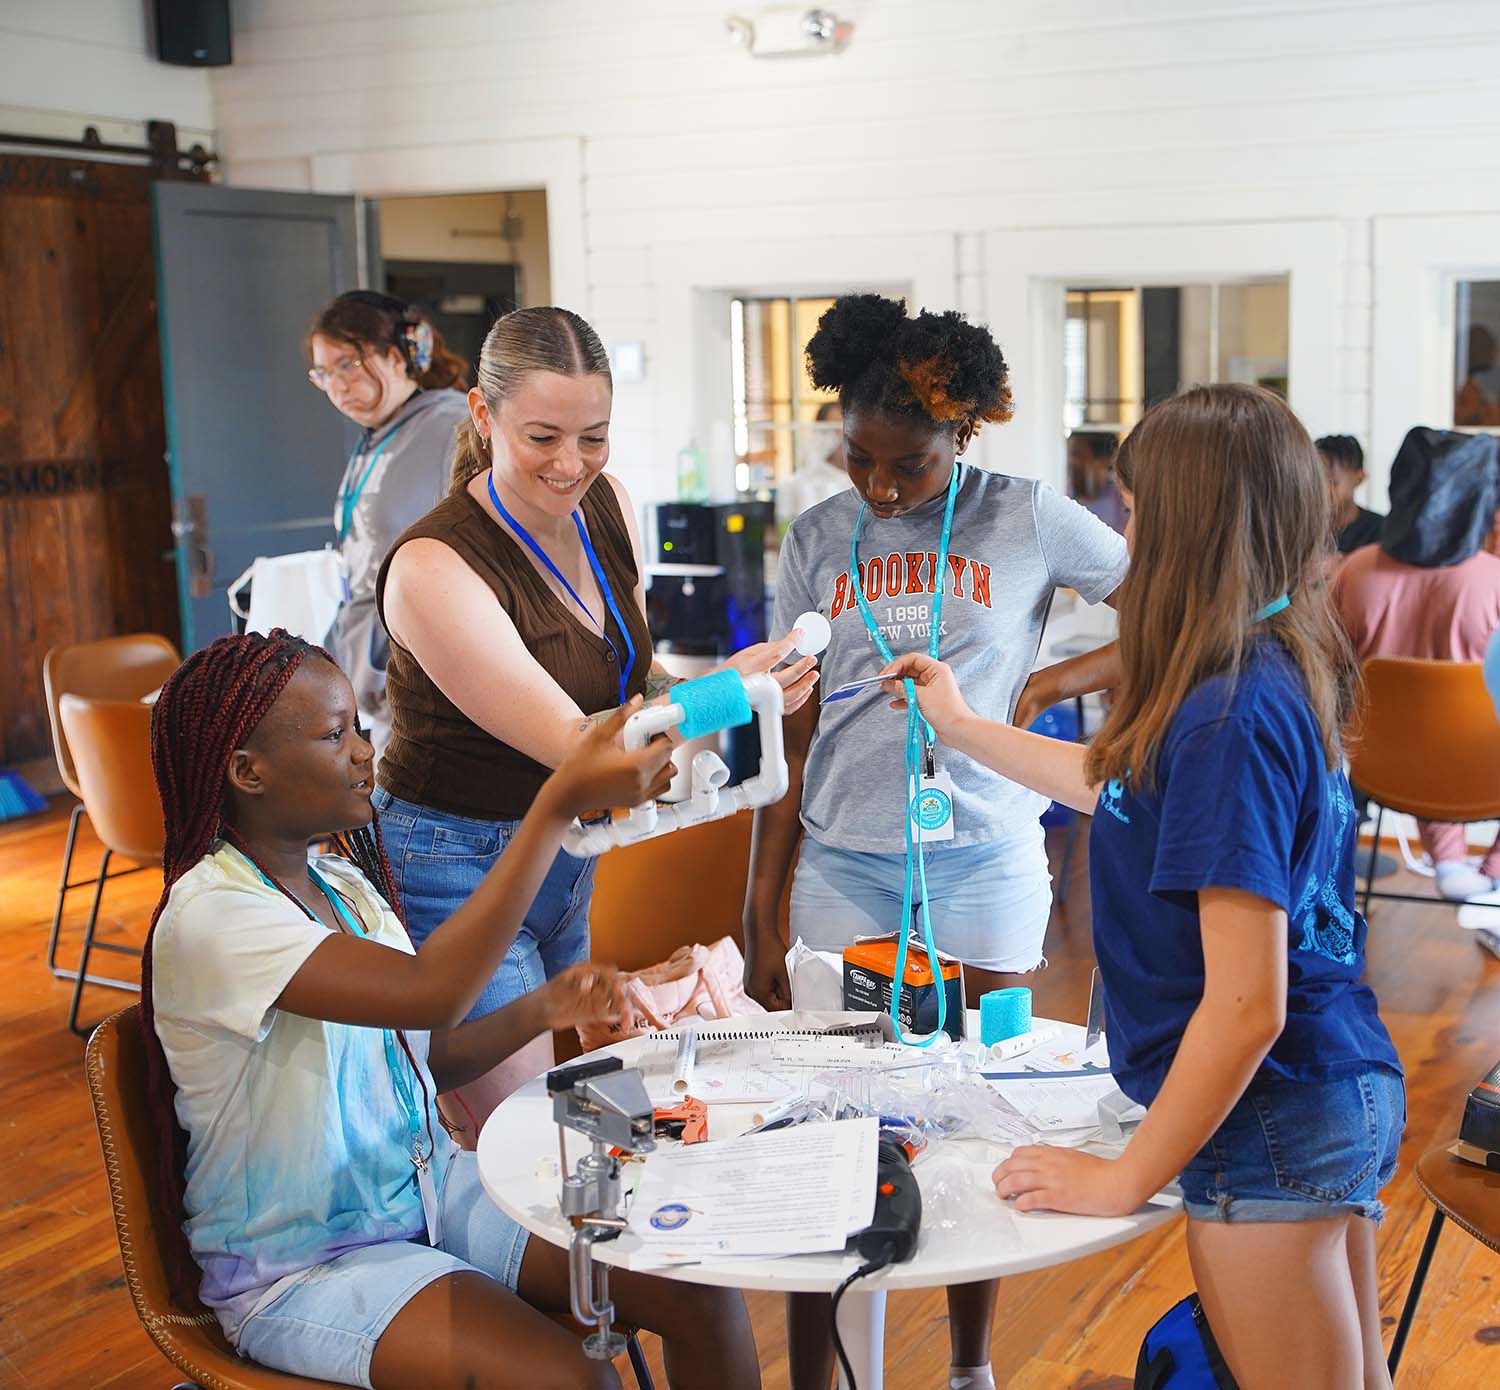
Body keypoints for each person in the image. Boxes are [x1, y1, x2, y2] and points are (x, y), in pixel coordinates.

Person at [884, 384, 1405, 1390]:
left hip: (1271, 1115)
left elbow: (1248, 1006)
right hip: (1314, 1094)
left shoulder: (1227, 718)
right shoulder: (1246, 671)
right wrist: (961, 726)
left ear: (1188, 532)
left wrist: (1126, 1176)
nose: (1124, 539)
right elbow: (1117, 787)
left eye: (1134, 513)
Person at [143, 629, 759, 1390]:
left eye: (359, 728)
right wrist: (557, 801)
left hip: (430, 1193)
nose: (364, 752)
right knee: (573, 1381)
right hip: (306, 1263)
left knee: (698, 1288)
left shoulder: (345, 886)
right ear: (247, 771)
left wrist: (542, 1008)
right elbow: (430, 991)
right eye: (336, 736)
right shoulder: (215, 916)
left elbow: (420, 1056)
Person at [743, 294, 1128, 1390]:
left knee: (985, 1115)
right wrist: (759, 908)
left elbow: (1172, 611)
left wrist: (1046, 685)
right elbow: (790, 729)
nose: (879, 486)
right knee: (829, 1128)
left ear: (961, 435)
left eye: (906, 464)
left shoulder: (1029, 516)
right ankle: (819, 1379)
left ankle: (968, 1366)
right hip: (843, 862)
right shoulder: (817, 538)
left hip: (987, 856)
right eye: (858, 458)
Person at [374, 306, 820, 1123]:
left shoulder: (605, 504)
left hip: (568, 856)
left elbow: (632, 679)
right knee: (523, 1131)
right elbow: (580, 748)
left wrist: (749, 687)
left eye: (594, 437)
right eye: (542, 437)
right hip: (457, 867)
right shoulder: (433, 567)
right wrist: (723, 691)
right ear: (482, 414)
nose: (570, 464)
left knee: (580, 1123)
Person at [1332, 427, 1500, 901]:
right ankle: (1491, 875)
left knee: (1419, 720)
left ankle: (1449, 862)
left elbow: (1322, 670)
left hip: (1380, 769)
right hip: (1483, 771)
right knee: (1460, 724)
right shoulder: (1493, 581)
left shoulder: (1356, 570)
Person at [308, 291, 472, 754]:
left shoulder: (452, 425)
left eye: (348, 365)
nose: (337, 386)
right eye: (323, 373)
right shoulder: (378, 435)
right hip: (371, 679)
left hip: (423, 678)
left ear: (399, 357)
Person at [778, 400, 849, 524]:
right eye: (834, 430)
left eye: (846, 428)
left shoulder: (869, 482)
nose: (841, 437)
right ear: (820, 434)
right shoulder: (798, 484)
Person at [1316, 434, 1384, 555]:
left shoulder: (1381, 530)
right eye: (1317, 483)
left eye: (1334, 483)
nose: (1324, 491)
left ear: (1359, 478)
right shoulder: (1303, 528)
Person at [1066, 429, 1128, 535]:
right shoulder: (1063, 494)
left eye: (1077, 454)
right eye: (1070, 454)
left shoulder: (1123, 502)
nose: (1071, 461)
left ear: (1103, 461)